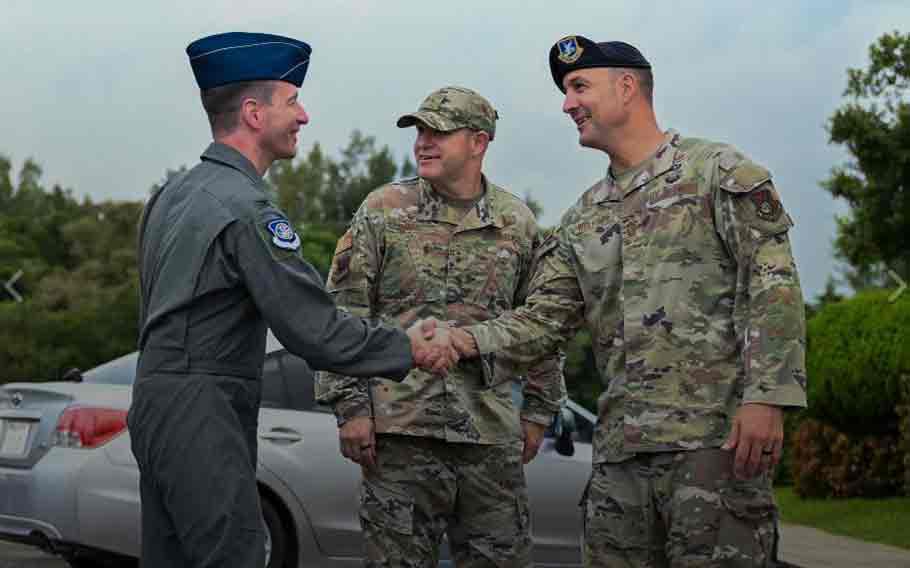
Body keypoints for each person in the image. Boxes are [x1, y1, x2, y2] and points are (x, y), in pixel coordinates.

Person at [450, 36, 808, 566]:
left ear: (627, 86)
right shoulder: (583, 219)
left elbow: (772, 282)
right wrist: (460, 340)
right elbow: (543, 323)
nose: (567, 104)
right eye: (566, 91)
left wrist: (768, 397)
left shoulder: (717, 173)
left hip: (713, 446)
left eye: (578, 86)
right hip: (619, 459)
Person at [128, 32, 457, 568]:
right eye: (292, 101)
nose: (303, 116)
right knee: (232, 555)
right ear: (254, 114)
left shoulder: (172, 195)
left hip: (156, 402)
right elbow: (312, 328)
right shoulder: (246, 208)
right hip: (204, 409)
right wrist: (407, 347)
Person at [315, 86, 565, 567]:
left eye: (439, 133)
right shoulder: (384, 210)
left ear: (478, 141)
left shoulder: (517, 222)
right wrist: (350, 408)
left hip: (489, 439)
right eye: (420, 132)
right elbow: (344, 314)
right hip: (400, 437)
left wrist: (539, 409)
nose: (423, 143)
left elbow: (542, 323)